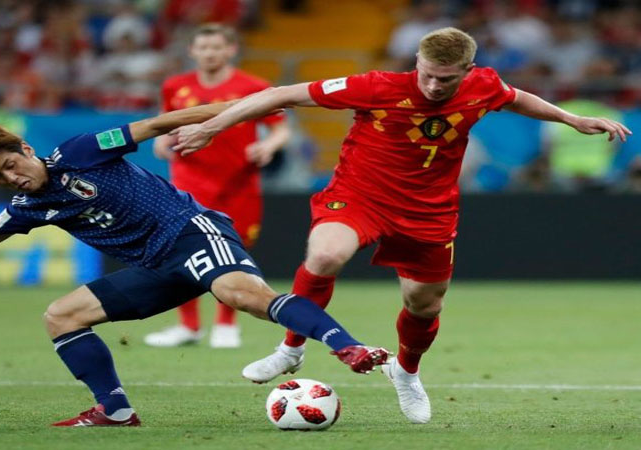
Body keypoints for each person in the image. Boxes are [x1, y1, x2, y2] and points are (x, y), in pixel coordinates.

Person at [172, 27, 631, 425]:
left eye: (446, 78)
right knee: (326, 254)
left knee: (424, 305)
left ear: (468, 71)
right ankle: (291, 347)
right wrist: (214, 126)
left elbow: (515, 98)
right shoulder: (376, 86)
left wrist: (572, 118)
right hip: (360, 194)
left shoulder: (484, 86)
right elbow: (280, 95)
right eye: (427, 73)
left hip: (428, 211)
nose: (433, 85)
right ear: (417, 61)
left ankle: (407, 373)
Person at [0, 101, 389, 427]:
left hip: (189, 232)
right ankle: (114, 410)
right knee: (61, 315)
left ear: (23, 147)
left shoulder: (81, 151)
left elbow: (158, 124)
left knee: (240, 295)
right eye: (0, 178)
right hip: (155, 268)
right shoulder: (28, 207)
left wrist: (234, 114)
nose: (13, 179)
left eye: (12, 165)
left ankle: (349, 347)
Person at [144, 23, 290, 349]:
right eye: (204, 47)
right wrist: (160, 143)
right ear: (193, 51)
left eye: (216, 47)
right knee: (183, 250)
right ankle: (189, 325)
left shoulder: (253, 86)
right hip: (188, 182)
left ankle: (226, 324)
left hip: (238, 183)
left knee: (234, 251)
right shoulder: (175, 86)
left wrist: (269, 146)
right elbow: (163, 124)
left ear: (230, 50)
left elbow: (280, 128)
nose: (210, 53)